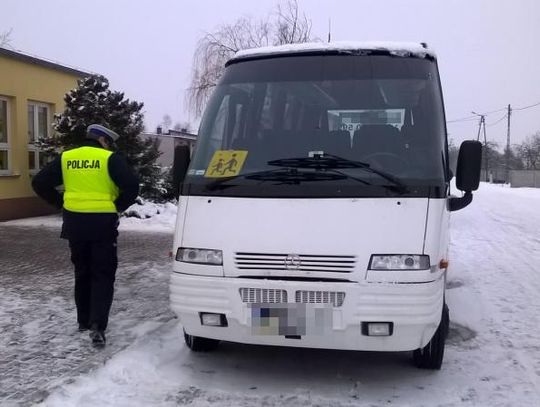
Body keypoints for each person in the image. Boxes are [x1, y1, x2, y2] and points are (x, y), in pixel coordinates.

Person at [32, 124, 139, 347]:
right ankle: (97, 325)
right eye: (108, 142)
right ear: (103, 140)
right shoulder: (109, 158)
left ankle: (83, 320)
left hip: (75, 224)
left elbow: (39, 182)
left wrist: (61, 202)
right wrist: (115, 205)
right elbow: (131, 187)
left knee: (82, 271)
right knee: (102, 273)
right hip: (102, 224)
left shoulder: (67, 158)